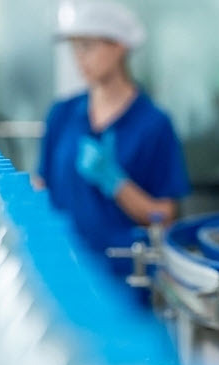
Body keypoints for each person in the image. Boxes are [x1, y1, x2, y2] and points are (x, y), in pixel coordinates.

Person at [38, 1, 189, 274]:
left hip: (125, 278)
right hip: (66, 271)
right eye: (74, 47)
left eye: (88, 46)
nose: (78, 57)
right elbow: (43, 187)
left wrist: (117, 184)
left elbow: (164, 216)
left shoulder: (153, 124)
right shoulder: (62, 115)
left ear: (119, 46)